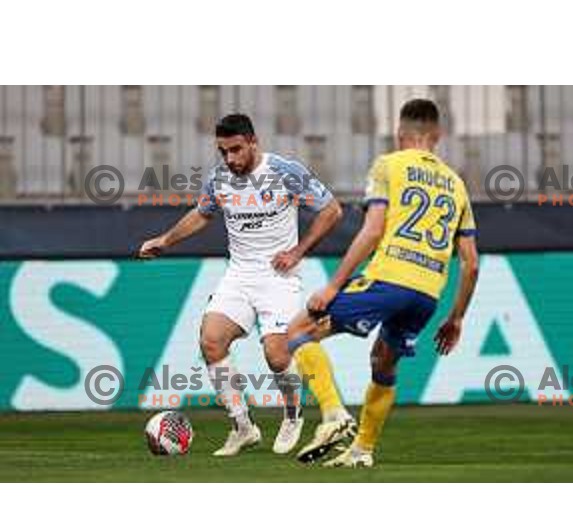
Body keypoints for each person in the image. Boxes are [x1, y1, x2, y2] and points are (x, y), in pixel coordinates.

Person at [139, 113, 354, 457]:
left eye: (236, 150)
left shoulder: (285, 172)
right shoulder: (220, 179)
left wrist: (297, 251)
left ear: (254, 142)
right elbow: (202, 214)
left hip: (278, 278)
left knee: (277, 353)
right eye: (223, 152)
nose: (230, 159)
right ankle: (243, 427)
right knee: (211, 341)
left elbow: (332, 211)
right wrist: (166, 240)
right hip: (239, 275)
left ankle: (292, 414)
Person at [287, 99, 479, 467]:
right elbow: (470, 265)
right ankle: (362, 450)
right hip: (427, 296)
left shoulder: (388, 165)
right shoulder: (457, 184)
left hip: (388, 280)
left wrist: (333, 286)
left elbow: (373, 230)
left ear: (399, 133)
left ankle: (333, 415)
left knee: (297, 332)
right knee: (384, 364)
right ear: (437, 135)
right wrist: (456, 318)